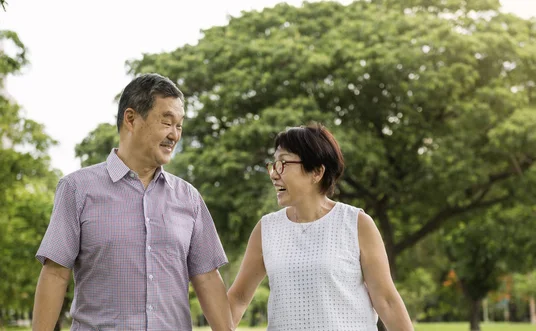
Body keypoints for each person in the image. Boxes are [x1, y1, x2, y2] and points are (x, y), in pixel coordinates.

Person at [32, 73, 233, 331]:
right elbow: (55, 274)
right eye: (166, 122)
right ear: (131, 119)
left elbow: (207, 277)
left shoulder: (189, 198)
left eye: (179, 126)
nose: (174, 135)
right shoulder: (77, 189)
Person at [227, 123, 414, 330]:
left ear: (316, 172)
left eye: (283, 164)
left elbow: (386, 301)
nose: (273, 174)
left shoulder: (357, 223)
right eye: (273, 164)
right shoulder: (266, 228)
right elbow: (238, 298)